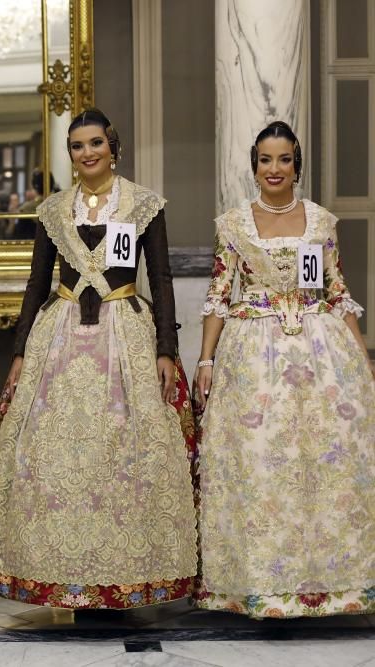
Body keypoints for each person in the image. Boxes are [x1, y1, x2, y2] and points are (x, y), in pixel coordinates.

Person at [0, 109, 199, 609]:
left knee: (125, 449)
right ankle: (56, 570)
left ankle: (126, 572)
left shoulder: (143, 204)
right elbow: (36, 284)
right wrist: (18, 353)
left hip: (123, 331)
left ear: (113, 147)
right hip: (59, 335)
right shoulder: (53, 210)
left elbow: (160, 280)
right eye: (77, 146)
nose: (87, 153)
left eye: (95, 143)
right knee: (50, 453)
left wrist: (167, 348)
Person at [193, 121, 375, 618]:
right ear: (254, 166)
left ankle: (331, 582)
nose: (275, 170)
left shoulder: (320, 223)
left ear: (298, 163)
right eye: (265, 160)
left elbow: (335, 292)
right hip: (253, 356)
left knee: (320, 461)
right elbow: (217, 295)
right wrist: (206, 361)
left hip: (320, 350)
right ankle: (258, 584)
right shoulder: (233, 224)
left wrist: (362, 361)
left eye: (284, 159)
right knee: (260, 465)